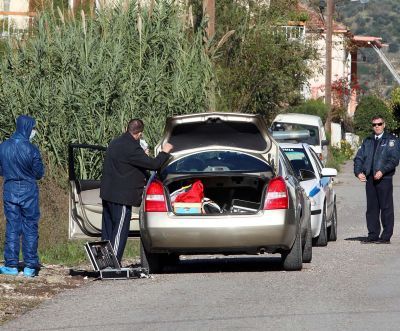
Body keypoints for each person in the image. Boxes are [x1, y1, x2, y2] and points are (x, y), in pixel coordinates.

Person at [100, 119, 173, 264]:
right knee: (119, 231)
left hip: (107, 194)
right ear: (139, 134)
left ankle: (104, 261)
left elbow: (130, 166)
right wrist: (165, 152)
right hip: (120, 197)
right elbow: (153, 164)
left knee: (108, 232)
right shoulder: (132, 148)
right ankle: (112, 264)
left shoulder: (115, 143)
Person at [0, 115, 44, 277]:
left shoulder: (3, 146)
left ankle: (11, 265)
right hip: (28, 191)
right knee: (30, 226)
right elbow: (39, 173)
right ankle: (30, 265)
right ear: (27, 128)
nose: (34, 131)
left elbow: (0, 169)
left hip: (10, 189)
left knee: (12, 226)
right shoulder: (31, 149)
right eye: (33, 128)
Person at [354, 116, 399, 244]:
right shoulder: (367, 141)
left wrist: (382, 171)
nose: (377, 126)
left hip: (384, 178)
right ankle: (373, 235)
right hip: (370, 179)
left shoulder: (392, 140)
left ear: (384, 125)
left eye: (379, 124)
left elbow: (394, 159)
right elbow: (359, 158)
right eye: (374, 125)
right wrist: (358, 172)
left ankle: (385, 237)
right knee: (372, 208)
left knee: (386, 208)